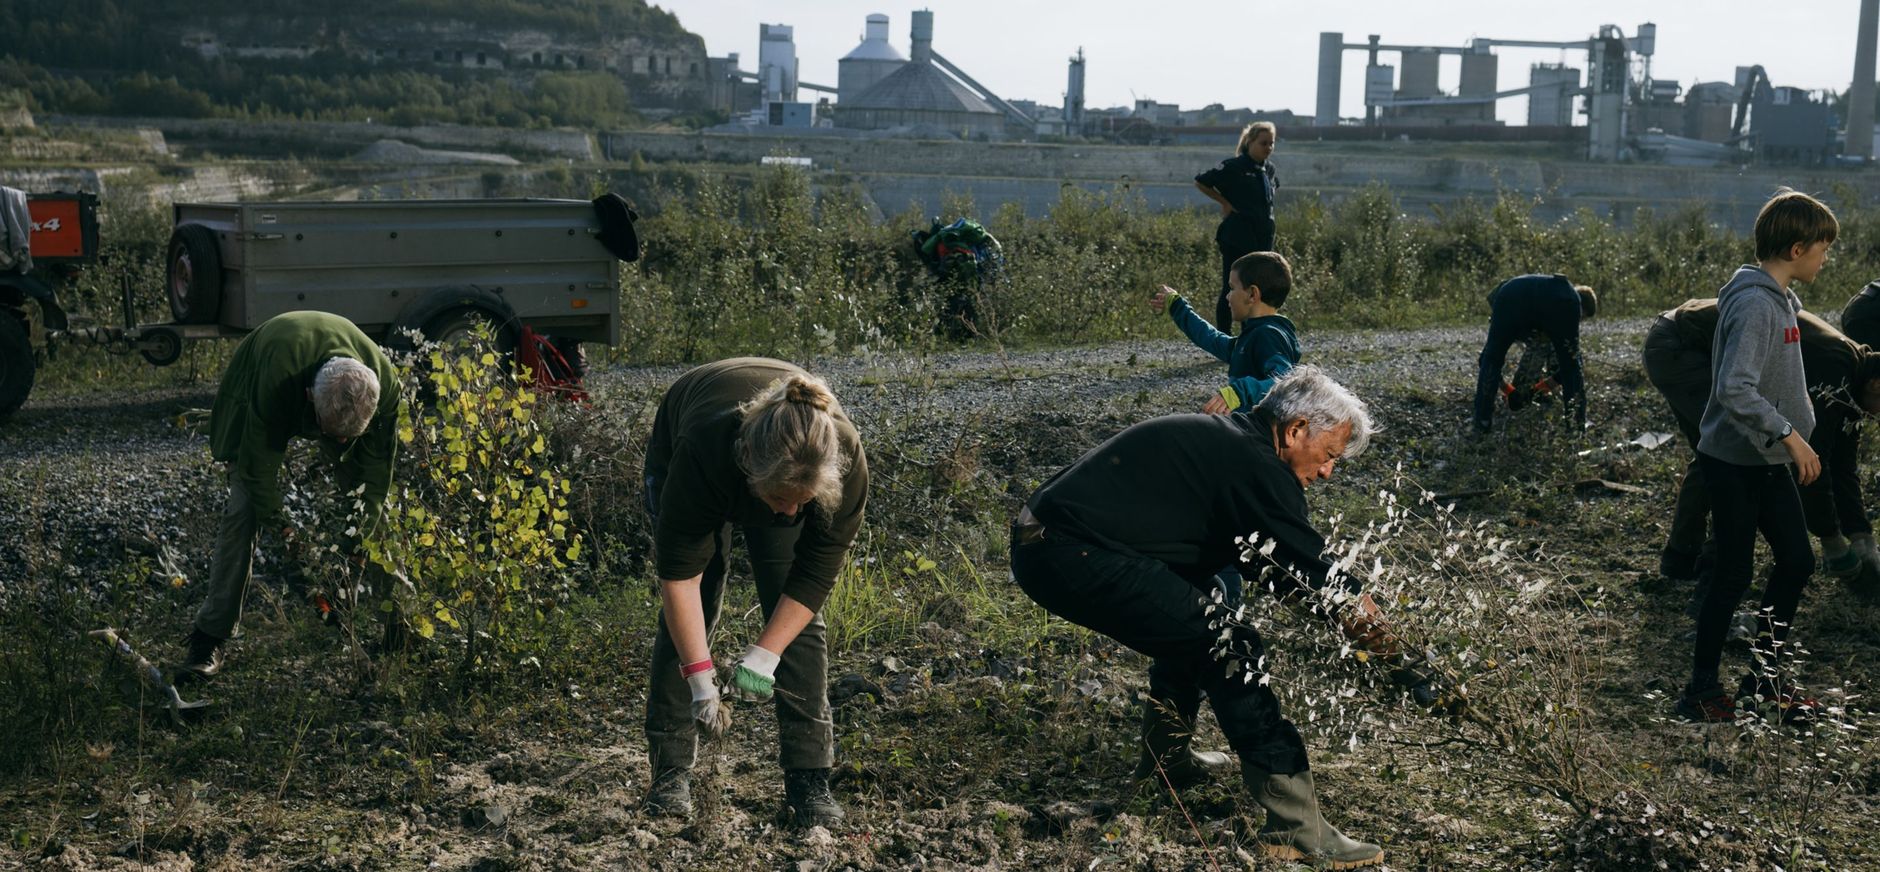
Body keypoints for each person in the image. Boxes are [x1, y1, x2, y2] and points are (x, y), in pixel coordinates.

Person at [1010, 365, 1387, 868]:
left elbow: (1275, 567)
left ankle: (1165, 767)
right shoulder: (1254, 464)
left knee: (1200, 610)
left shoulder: (1233, 443)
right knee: (1229, 644)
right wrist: (1383, 638)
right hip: (1066, 551)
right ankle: (1297, 828)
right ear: (1296, 430)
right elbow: (1315, 572)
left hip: (1052, 542)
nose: (1326, 472)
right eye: (1330, 456)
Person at [640, 358, 868, 828]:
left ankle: (809, 776)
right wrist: (701, 680)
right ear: (749, 469)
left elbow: (813, 577)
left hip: (786, 469)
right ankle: (670, 771)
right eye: (780, 499)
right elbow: (680, 579)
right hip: (692, 434)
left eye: (801, 503)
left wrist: (766, 654)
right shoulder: (705, 448)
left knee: (794, 616)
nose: (789, 514)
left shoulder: (842, 459)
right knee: (693, 611)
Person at [1676, 188, 1838, 724]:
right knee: (1732, 573)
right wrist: (1790, 435)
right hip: (1734, 461)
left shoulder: (1780, 302)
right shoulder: (1753, 305)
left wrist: (1791, 438)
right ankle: (1700, 691)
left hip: (1765, 462)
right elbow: (1734, 388)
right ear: (1796, 249)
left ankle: (1763, 684)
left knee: (1796, 561)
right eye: (1822, 248)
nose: (1825, 257)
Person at [176, 311, 401, 681]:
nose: (339, 445)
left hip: (332, 397)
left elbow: (374, 483)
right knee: (244, 508)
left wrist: (354, 552)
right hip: (266, 367)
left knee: (375, 515)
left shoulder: (385, 386)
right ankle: (208, 638)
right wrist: (295, 546)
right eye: (331, 434)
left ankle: (400, 625)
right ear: (309, 398)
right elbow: (260, 476)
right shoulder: (275, 381)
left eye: (346, 438)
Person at [1643, 298, 1880, 583]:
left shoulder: (1852, 380)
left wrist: (1861, 534)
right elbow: (1811, 460)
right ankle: (1714, 571)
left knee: (1714, 455)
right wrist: (1831, 540)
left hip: (1682, 339)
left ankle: (1681, 559)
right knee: (1735, 456)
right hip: (1682, 345)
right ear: (1876, 384)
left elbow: (1843, 463)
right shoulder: (1836, 371)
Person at [1150, 251, 1300, 415]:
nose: (1227, 296)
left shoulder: (1268, 335)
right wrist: (1177, 305)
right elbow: (1211, 338)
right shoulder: (1254, 335)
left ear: (1252, 294)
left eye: (1232, 288)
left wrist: (1240, 391)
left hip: (1255, 436)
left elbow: (1286, 383)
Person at [1470, 274, 1597, 434]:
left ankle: (1482, 424)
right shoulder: (1567, 299)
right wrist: (1529, 391)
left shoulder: (1515, 292)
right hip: (1539, 299)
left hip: (1509, 294)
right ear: (1580, 311)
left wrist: (1514, 391)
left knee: (1492, 359)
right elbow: (1572, 366)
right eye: (1581, 319)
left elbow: (1486, 360)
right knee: (1571, 366)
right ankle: (1576, 428)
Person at [1195, 122, 1280, 333]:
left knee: (1255, 289)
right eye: (1263, 143)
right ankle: (1223, 337)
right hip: (1238, 237)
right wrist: (1224, 202)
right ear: (1250, 142)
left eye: (1271, 143)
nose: (1268, 148)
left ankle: (1249, 335)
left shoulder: (1268, 170)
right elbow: (1202, 181)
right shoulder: (1235, 167)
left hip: (1262, 239)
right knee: (1232, 287)